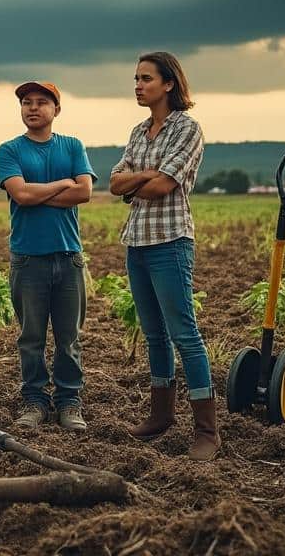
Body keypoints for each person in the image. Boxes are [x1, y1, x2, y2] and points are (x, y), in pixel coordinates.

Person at [109, 52, 218, 460]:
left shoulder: (187, 129)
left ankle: (207, 430)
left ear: (169, 83)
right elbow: (116, 182)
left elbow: (164, 186)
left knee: (184, 335)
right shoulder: (139, 131)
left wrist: (139, 182)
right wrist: (142, 180)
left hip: (170, 241)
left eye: (146, 79)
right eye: (135, 78)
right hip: (136, 242)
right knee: (153, 334)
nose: (138, 85)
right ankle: (161, 415)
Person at [0, 81, 95, 432]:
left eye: (41, 102)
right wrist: (61, 185)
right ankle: (34, 401)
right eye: (26, 102)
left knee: (69, 339)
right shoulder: (9, 150)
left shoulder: (72, 146)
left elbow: (84, 192)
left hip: (68, 258)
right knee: (31, 338)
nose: (33, 108)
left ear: (56, 109)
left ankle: (69, 401)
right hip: (28, 259)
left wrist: (39, 192)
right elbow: (20, 195)